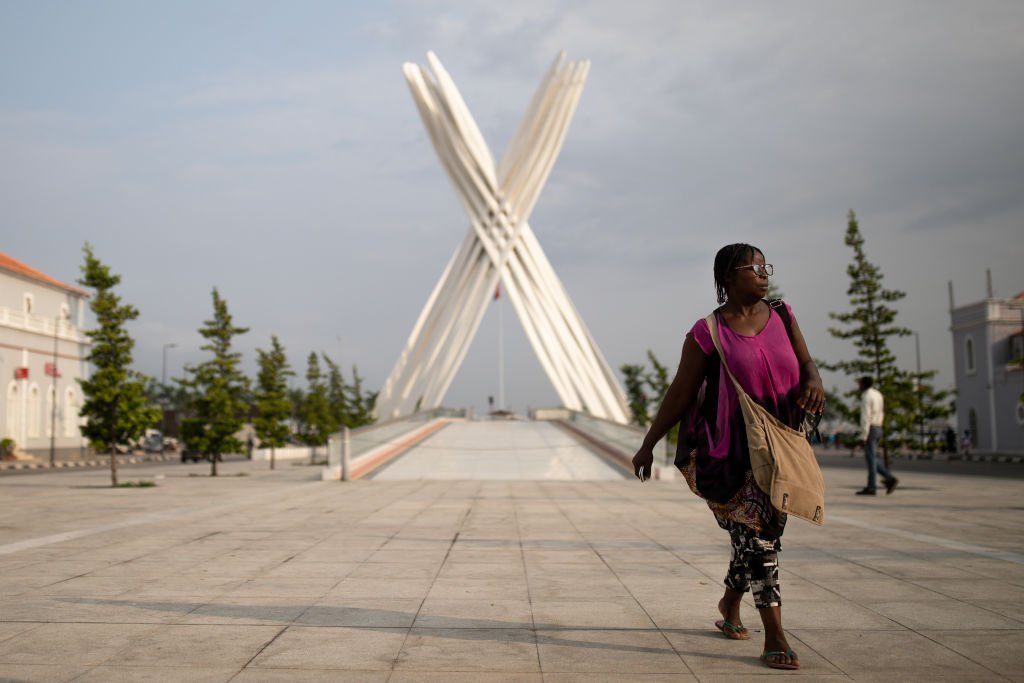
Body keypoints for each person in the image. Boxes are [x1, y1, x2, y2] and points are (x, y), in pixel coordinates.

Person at [631, 243, 824, 672]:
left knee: (758, 535)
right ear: (727, 278)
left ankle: (729, 600)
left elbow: (807, 363)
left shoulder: (784, 315)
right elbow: (680, 392)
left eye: (764, 266)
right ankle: (774, 633)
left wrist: (813, 380)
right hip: (731, 454)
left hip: (782, 447)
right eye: (752, 267)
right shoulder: (708, 333)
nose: (762, 273)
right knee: (760, 539)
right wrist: (649, 443)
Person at [856, 376, 897, 495]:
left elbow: (866, 417)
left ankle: (872, 486)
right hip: (878, 426)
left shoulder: (866, 396)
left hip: (871, 428)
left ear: (864, 384)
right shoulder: (878, 394)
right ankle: (889, 479)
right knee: (871, 458)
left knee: (871, 459)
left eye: (860, 383)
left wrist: (864, 435)